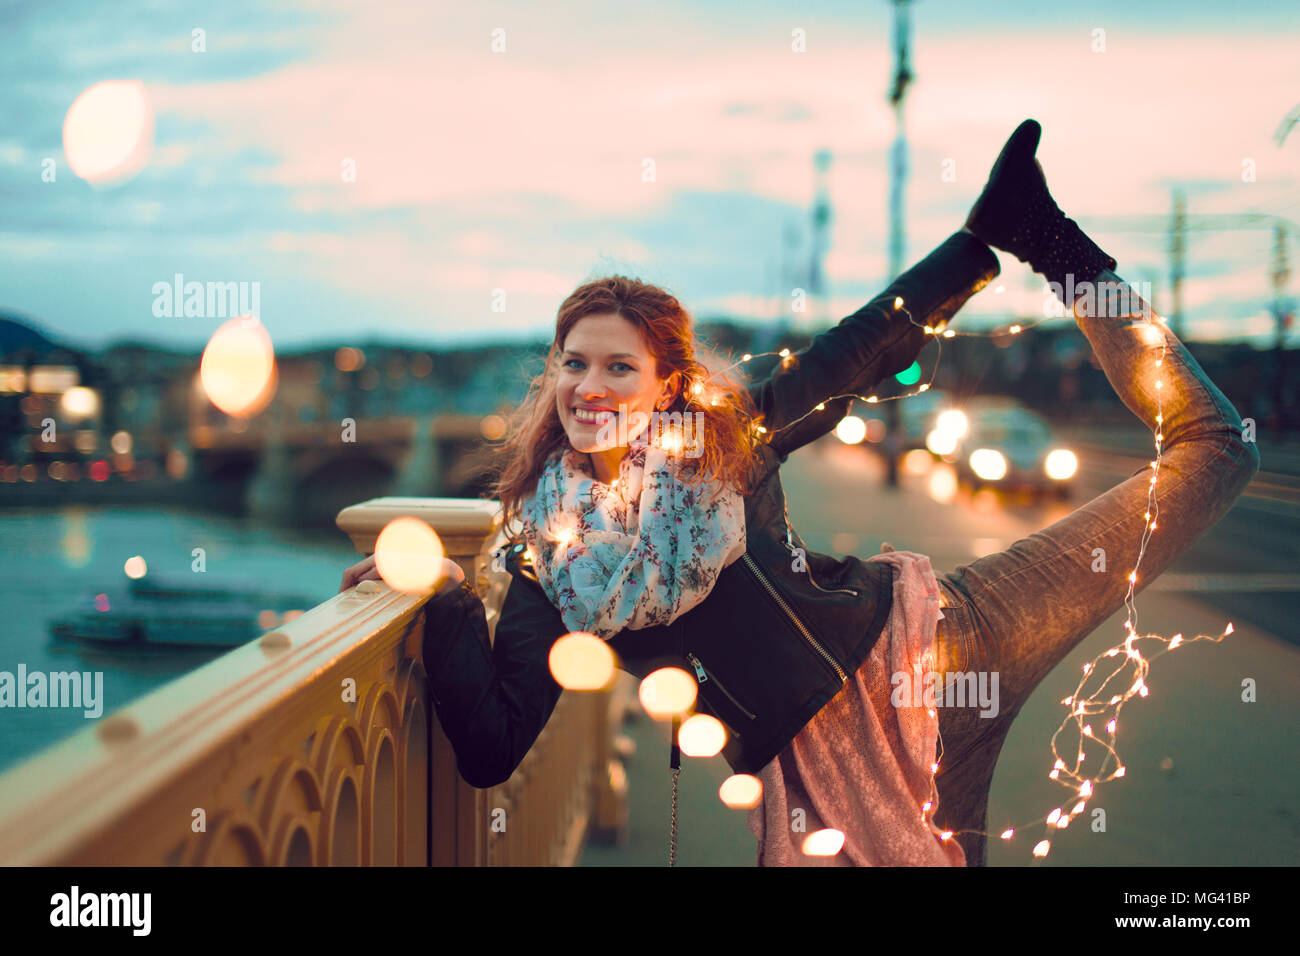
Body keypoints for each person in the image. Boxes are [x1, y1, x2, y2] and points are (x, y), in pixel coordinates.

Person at [340, 119, 1259, 866]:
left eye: (620, 365)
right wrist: (440, 597)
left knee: (1218, 450)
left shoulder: (725, 446)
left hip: (949, 635)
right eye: (573, 362)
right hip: (833, 781)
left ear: (666, 384)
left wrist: (989, 243)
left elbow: (856, 351)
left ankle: (1054, 239)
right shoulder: (548, 570)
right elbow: (493, 745)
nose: (591, 386)